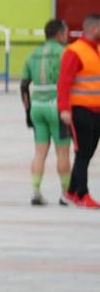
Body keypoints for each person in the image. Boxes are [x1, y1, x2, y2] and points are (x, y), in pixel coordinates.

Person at [20, 19, 72, 206]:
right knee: (63, 152)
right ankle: (65, 193)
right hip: (56, 107)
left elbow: (24, 86)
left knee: (40, 152)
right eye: (65, 33)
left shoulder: (33, 54)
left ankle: (35, 191)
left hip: (37, 106)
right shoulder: (65, 53)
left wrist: (28, 112)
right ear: (59, 34)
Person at [58, 13, 100, 209]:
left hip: (96, 110)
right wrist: (64, 109)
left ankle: (71, 192)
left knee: (88, 152)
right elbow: (64, 83)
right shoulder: (74, 51)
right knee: (83, 152)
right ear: (93, 29)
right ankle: (82, 194)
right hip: (79, 110)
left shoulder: (97, 50)